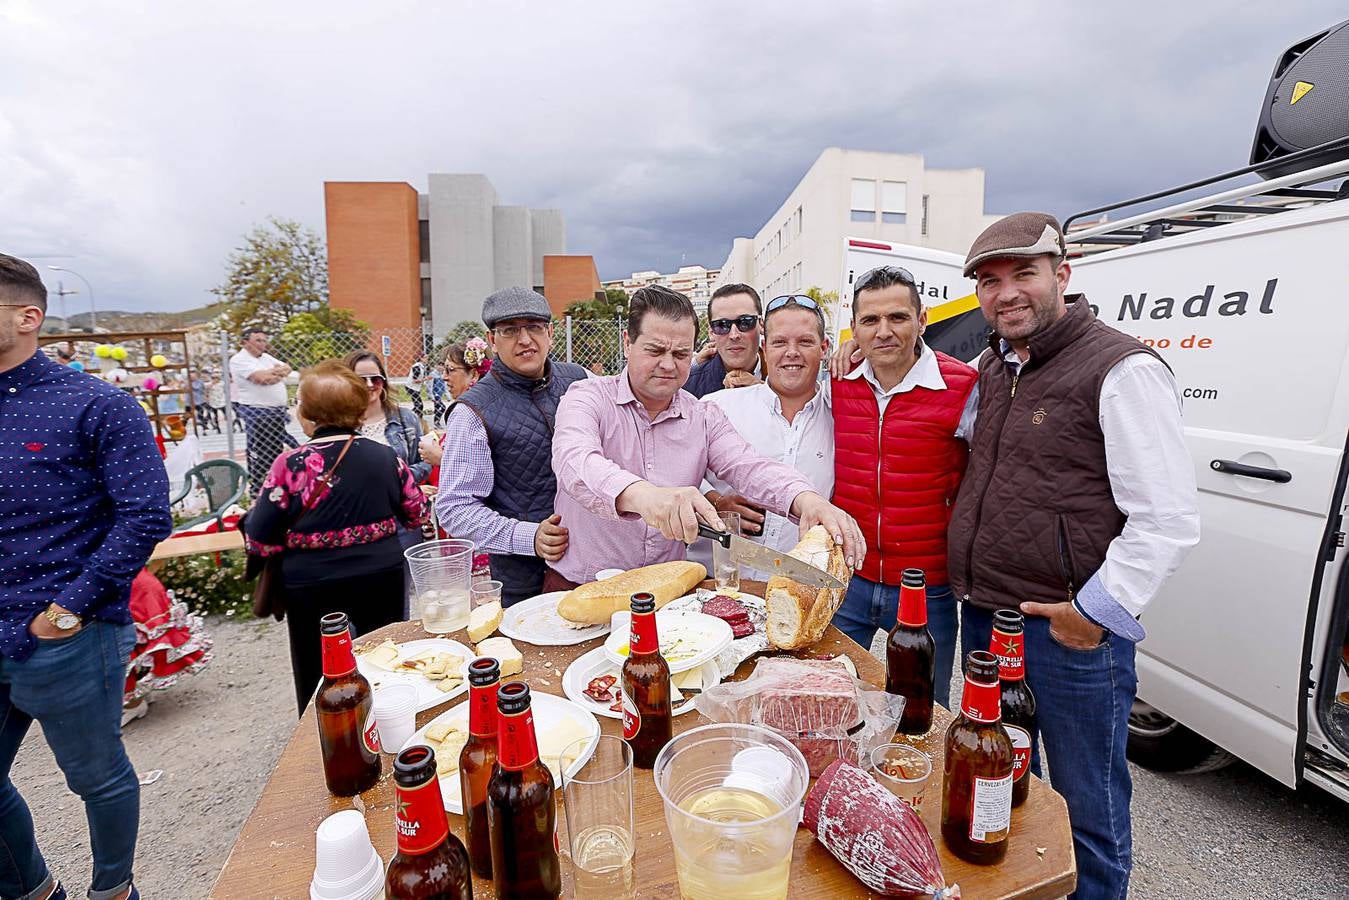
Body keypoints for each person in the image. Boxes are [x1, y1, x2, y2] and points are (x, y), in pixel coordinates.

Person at [949, 212, 1200, 898]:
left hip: (1067, 634)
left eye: (1023, 274)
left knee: (1088, 810)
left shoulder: (1121, 368)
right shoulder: (995, 367)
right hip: (989, 622)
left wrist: (1090, 613)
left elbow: (1166, 520)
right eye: (990, 282)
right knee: (1003, 790)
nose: (1005, 294)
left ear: (1062, 273)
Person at [0, 252, 171, 900]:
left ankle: (113, 892)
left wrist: (65, 611)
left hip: (65, 633)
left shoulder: (95, 405)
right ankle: (33, 891)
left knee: (95, 777)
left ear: (28, 316)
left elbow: (144, 515)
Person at [550, 285, 865, 590]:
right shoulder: (586, 397)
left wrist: (805, 500)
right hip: (581, 587)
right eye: (655, 350)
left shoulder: (702, 415)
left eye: (681, 353)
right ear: (627, 342)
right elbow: (574, 461)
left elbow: (749, 466)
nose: (668, 364)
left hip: (666, 591)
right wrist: (644, 496)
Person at [829, 266, 977, 706]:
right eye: (870, 321)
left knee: (924, 708)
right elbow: (781, 370)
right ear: (854, 328)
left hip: (925, 585)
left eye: (898, 318)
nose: (884, 331)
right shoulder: (837, 381)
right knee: (832, 697)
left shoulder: (963, 386)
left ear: (922, 320)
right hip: (849, 576)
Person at [243, 361, 427, 714]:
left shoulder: (290, 463)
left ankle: (323, 741)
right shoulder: (385, 457)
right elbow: (416, 512)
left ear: (308, 414)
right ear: (359, 410)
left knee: (319, 668)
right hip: (381, 574)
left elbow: (259, 538)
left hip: (311, 581)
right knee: (384, 655)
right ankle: (390, 720)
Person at [435, 288, 587, 606]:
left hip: (596, 562)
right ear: (492, 339)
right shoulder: (473, 412)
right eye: (510, 330)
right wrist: (527, 536)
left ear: (550, 332)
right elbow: (453, 507)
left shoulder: (580, 381)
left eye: (534, 326)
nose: (525, 340)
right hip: (525, 580)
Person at [700, 295, 835, 578]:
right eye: (780, 342)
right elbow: (676, 470)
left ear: (824, 348)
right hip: (722, 581)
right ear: (764, 348)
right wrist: (714, 499)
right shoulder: (719, 406)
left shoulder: (841, 417)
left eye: (805, 342)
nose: (792, 352)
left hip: (798, 586)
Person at [420, 339, 493, 579]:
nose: (444, 377)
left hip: (477, 519)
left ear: (473, 373)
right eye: (443, 370)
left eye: (451, 370)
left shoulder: (473, 410)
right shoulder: (469, 406)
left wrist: (440, 457)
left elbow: (489, 463)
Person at [120, 568, 213, 726]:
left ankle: (133, 703)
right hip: (136, 585)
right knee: (142, 641)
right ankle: (140, 692)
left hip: (127, 590)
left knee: (123, 643)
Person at [229, 328, 298, 489]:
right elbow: (261, 379)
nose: (263, 344)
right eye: (258, 341)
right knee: (261, 452)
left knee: (276, 449)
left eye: (264, 340)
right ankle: (258, 486)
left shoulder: (265, 358)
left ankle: (277, 483)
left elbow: (287, 368)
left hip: (276, 412)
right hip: (258, 412)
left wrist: (272, 373)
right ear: (245, 343)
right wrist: (275, 374)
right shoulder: (239, 359)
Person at [682, 283, 764, 398]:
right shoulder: (686, 390)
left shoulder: (790, 378)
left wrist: (764, 392)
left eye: (745, 322)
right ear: (711, 332)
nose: (734, 335)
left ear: (761, 325)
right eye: (722, 325)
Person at [406, 352, 427, 421]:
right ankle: (417, 419)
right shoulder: (417, 367)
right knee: (419, 405)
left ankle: (411, 417)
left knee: (418, 405)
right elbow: (415, 380)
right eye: (425, 358)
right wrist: (426, 379)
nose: (427, 359)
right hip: (411, 387)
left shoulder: (422, 366)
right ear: (421, 358)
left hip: (415, 388)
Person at [430, 361, 448, 426]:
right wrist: (431, 396)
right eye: (439, 365)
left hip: (440, 395)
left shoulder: (443, 374)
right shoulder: (433, 374)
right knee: (442, 407)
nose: (441, 367)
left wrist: (447, 395)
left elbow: (444, 386)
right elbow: (429, 386)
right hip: (435, 395)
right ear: (436, 366)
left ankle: (436, 422)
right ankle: (436, 422)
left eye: (442, 366)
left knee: (437, 409)